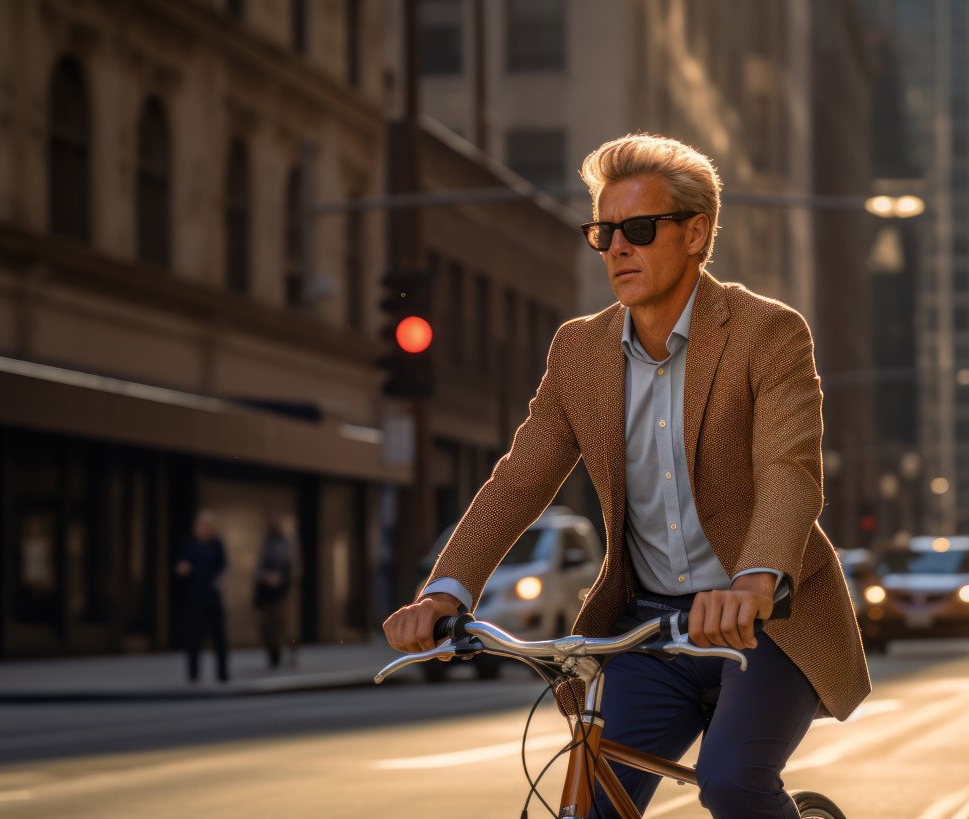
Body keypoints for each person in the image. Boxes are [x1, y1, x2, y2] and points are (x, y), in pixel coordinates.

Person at [383, 134, 870, 818]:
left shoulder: (768, 333)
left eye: (639, 230)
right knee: (591, 803)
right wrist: (444, 592)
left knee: (731, 780)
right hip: (648, 631)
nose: (617, 248)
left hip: (764, 627)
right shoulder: (578, 350)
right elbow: (521, 477)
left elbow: (789, 469)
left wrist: (754, 580)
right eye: (604, 231)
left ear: (696, 233)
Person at [176, 510, 229, 683]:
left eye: (206, 526)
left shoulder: (216, 545)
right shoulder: (188, 545)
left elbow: (222, 567)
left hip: (212, 597)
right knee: (193, 637)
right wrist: (183, 569)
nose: (202, 529)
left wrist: (219, 581)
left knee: (218, 637)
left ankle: (223, 674)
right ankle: (193, 674)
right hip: (194, 597)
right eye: (200, 525)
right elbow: (181, 567)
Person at [253, 517, 295, 670]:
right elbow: (257, 569)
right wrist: (264, 576)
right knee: (266, 627)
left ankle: (284, 653)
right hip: (265, 594)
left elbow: (288, 567)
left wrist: (279, 578)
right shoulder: (265, 544)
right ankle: (273, 657)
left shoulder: (285, 545)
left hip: (280, 593)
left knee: (281, 626)